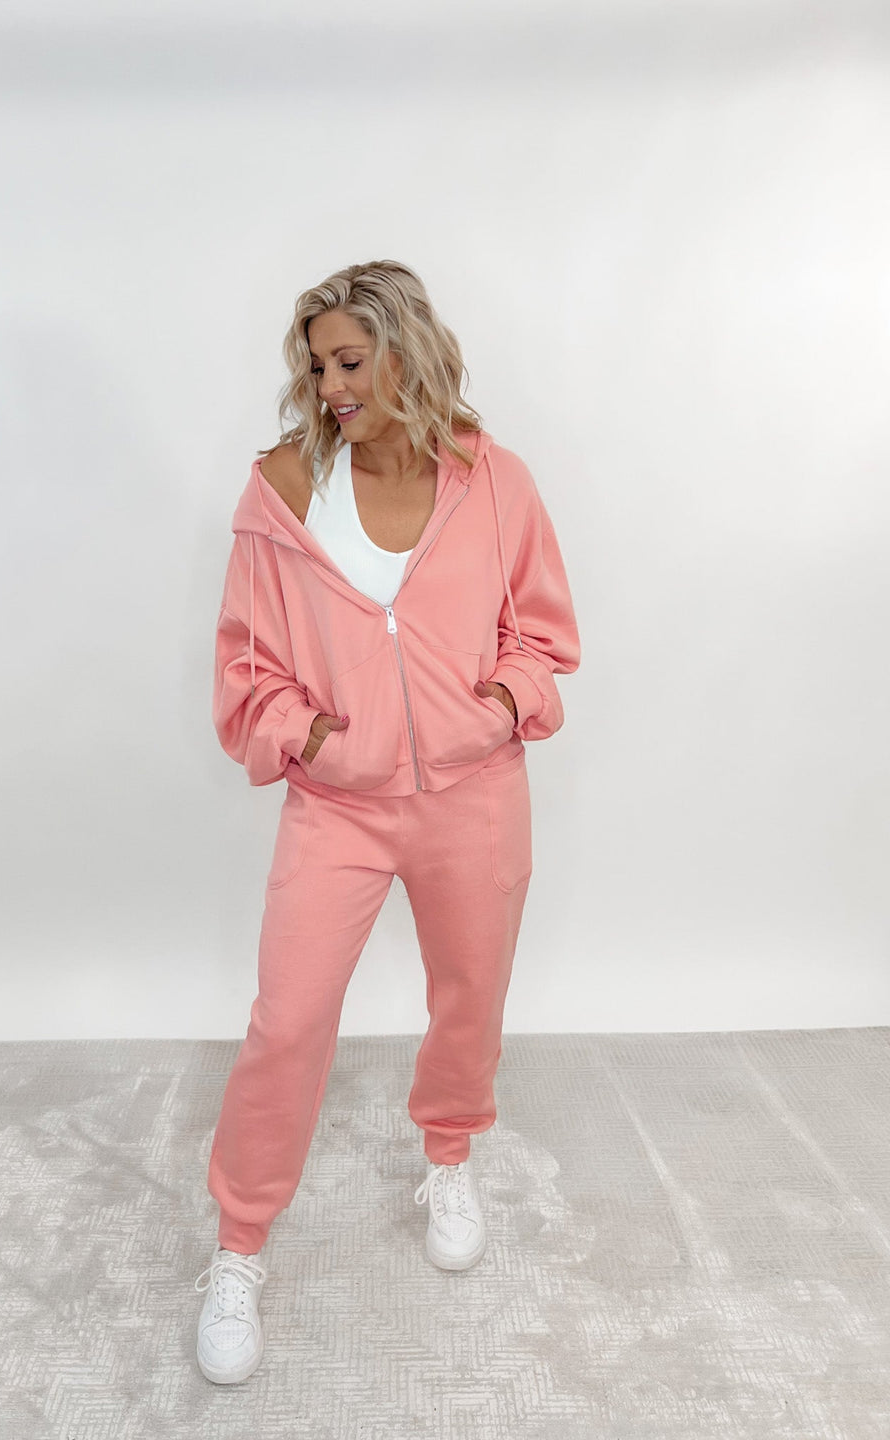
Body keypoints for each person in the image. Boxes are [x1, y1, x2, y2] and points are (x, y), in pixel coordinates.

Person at [194, 259, 581, 1384]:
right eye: (317, 367)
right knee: (289, 1020)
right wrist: (313, 738)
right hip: (338, 810)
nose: (331, 388)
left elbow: (543, 633)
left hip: (475, 795)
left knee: (471, 994)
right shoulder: (283, 490)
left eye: (351, 362)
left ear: (406, 353)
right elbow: (244, 665)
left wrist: (496, 704)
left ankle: (448, 1158)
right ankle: (239, 1247)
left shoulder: (494, 481)